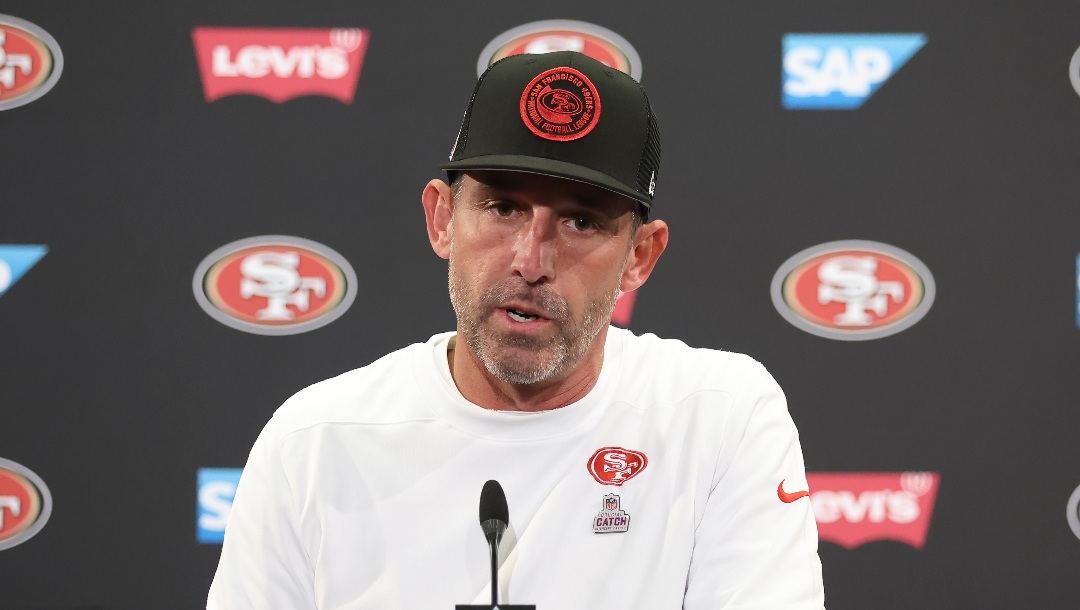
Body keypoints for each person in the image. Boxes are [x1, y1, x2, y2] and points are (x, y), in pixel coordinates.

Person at [207, 50, 825, 609]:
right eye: (503, 209)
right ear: (442, 218)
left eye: (581, 222)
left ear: (640, 256)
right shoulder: (314, 443)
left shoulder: (720, 418)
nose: (531, 262)